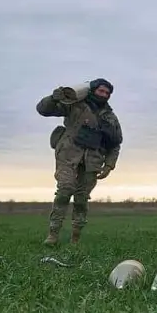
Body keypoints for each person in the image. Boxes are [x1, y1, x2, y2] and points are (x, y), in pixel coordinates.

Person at [36, 78, 123, 245]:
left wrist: (109, 165)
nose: (104, 94)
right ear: (93, 90)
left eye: (107, 93)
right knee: (64, 190)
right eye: (101, 91)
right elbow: (44, 110)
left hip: (92, 161)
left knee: (82, 199)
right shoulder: (74, 104)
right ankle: (53, 234)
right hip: (69, 155)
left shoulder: (110, 118)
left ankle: (75, 237)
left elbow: (115, 144)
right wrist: (53, 98)